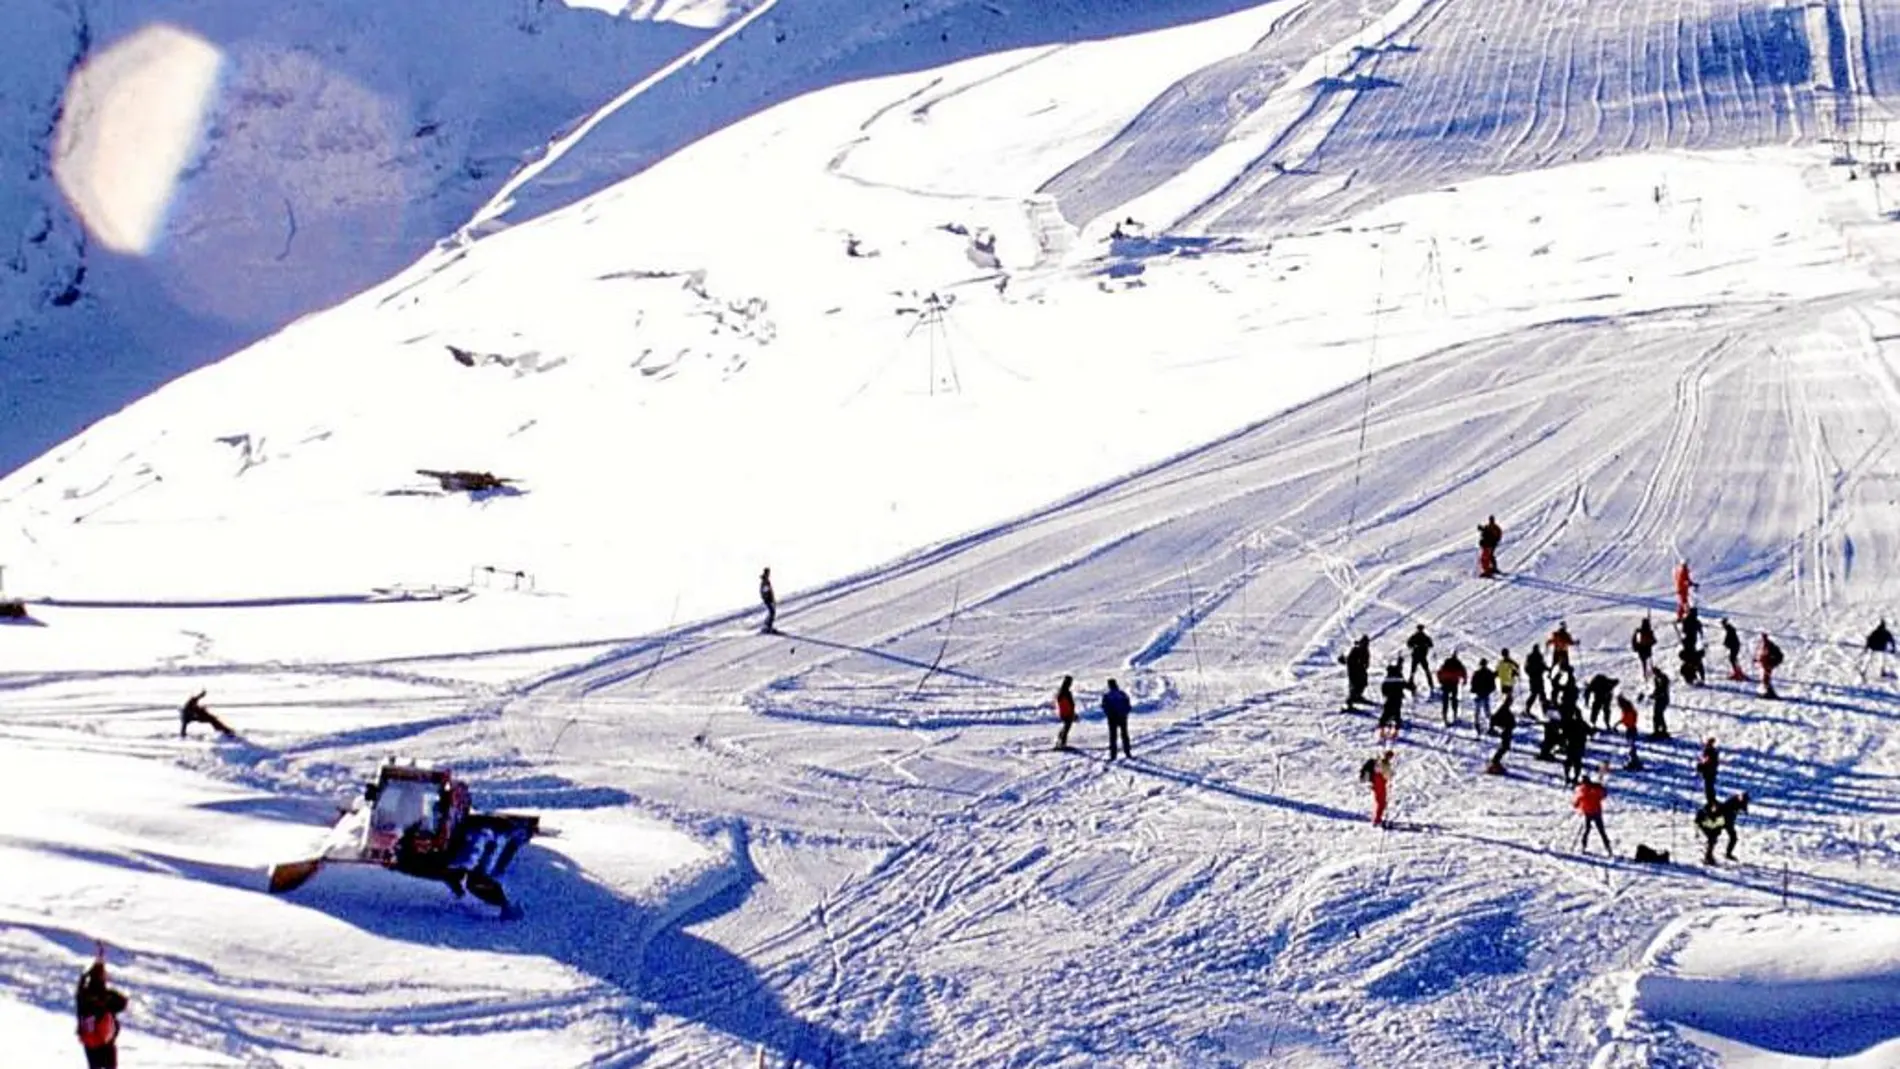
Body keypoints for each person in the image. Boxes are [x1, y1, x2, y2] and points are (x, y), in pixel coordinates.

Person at [75, 941, 126, 1069]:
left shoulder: (82, 996)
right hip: (105, 1042)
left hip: (90, 1043)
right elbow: (122, 1004)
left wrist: (84, 977)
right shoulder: (105, 997)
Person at [1695, 792, 1750, 864]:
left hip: (1718, 821)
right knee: (1713, 837)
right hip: (1705, 821)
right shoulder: (1729, 810)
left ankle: (1727, 854)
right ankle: (1708, 857)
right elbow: (1725, 822)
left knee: (1732, 836)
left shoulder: (1732, 807)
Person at [1575, 770, 1612, 854]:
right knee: (1601, 831)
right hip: (1596, 812)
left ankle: (1583, 847)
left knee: (1586, 830)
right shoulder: (1595, 789)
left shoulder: (1581, 791)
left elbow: (1576, 803)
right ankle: (1608, 849)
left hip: (1587, 813)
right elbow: (1603, 795)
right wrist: (1601, 788)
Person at [1378, 662, 1413, 743]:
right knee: (1397, 715)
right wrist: (1411, 686)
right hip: (1397, 699)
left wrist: (1386, 695)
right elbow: (1406, 686)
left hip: (1389, 699)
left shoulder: (1387, 678)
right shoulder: (1399, 678)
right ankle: (1395, 731)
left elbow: (1383, 689)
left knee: (1385, 714)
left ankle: (1381, 731)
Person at [1361, 750, 1394, 826]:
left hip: (1376, 784)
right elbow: (1387, 775)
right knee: (1381, 803)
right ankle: (1377, 820)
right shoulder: (1385, 764)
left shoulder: (1378, 761)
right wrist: (1391, 774)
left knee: (1379, 802)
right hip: (1380, 785)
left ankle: (1376, 818)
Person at [1102, 679, 1133, 759]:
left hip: (1112, 718)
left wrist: (1109, 714)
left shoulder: (1107, 695)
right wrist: (1125, 713)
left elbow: (1104, 706)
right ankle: (1127, 752)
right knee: (1124, 734)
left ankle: (1113, 755)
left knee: (1113, 736)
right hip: (1122, 717)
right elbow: (1128, 705)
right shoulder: (1122, 694)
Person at [1436, 651, 1468, 726]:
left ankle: (1445, 717)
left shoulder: (1446, 663)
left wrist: (1440, 680)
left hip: (1445, 683)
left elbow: (1439, 672)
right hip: (1454, 683)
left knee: (1445, 701)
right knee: (1454, 700)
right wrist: (1464, 680)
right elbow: (1464, 672)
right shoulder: (1458, 663)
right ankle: (1455, 715)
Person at [1340, 635, 1372, 709]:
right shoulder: (1355, 650)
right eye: (1364, 643)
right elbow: (1349, 660)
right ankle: (1348, 703)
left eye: (1367, 643)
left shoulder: (1366, 651)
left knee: (1363, 684)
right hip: (1353, 671)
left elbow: (1366, 663)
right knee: (1355, 686)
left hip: (1361, 671)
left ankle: (1358, 697)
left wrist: (1365, 666)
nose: (1366, 645)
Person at [1487, 701, 1516, 774]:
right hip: (1505, 731)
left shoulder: (1505, 710)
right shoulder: (1503, 710)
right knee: (1505, 746)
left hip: (1507, 730)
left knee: (1505, 747)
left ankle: (1496, 762)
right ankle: (1495, 763)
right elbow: (1495, 720)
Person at [1469, 657, 1496, 737]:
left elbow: (1473, 684)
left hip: (1478, 694)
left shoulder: (1476, 673)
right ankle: (1490, 727)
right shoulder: (1489, 673)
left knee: (1477, 711)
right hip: (1486, 694)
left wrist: (1474, 690)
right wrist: (1489, 691)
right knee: (1487, 711)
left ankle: (1476, 724)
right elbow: (1493, 686)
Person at [1405, 625, 1435, 691]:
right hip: (1421, 656)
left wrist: (1415, 646)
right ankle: (1431, 684)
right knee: (1425, 670)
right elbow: (1431, 644)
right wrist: (1423, 645)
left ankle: (1411, 683)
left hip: (1417, 656)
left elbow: (1409, 644)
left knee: (1414, 671)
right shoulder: (1425, 637)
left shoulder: (1415, 636)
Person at [1617, 695, 1642, 770]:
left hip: (1631, 729)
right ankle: (1635, 762)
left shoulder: (1627, 710)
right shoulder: (1628, 709)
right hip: (1630, 729)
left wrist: (1620, 722)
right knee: (1631, 747)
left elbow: (1627, 719)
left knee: (1631, 747)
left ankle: (1634, 763)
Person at [1052, 676, 1077, 750]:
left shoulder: (1061, 692)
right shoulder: (1066, 692)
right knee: (1066, 728)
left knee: (1065, 727)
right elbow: (1071, 704)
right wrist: (1072, 713)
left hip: (1063, 712)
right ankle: (1062, 743)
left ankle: (1059, 741)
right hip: (1068, 712)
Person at [1757, 633, 1784, 699]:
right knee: (1765, 679)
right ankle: (1768, 693)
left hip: (1768, 664)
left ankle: (1770, 694)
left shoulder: (1769, 646)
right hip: (1765, 664)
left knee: (1766, 679)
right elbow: (1761, 654)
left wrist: (1772, 663)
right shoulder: (1763, 644)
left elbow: (1777, 655)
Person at [1696, 737, 1720, 806]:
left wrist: (1700, 766)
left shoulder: (1709, 752)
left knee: (1709, 788)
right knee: (1710, 787)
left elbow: (1704, 762)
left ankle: (1711, 801)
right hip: (1711, 773)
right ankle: (1712, 800)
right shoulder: (1713, 752)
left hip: (1709, 773)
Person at [1648, 668, 1672, 739]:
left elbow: (1663, 691)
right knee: (1656, 715)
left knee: (1659, 715)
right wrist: (1653, 695)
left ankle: (1663, 730)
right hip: (1658, 700)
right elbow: (1657, 689)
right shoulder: (1656, 679)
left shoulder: (1664, 678)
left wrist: (1656, 695)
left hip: (1663, 700)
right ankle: (1657, 730)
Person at [758, 567, 778, 634]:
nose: (769, 574)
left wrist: (773, 598)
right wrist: (767, 597)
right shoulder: (764, 581)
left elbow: (769, 590)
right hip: (767, 599)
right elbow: (764, 591)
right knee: (772, 612)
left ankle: (767, 625)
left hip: (769, 599)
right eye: (768, 572)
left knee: (772, 612)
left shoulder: (766, 580)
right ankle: (768, 626)